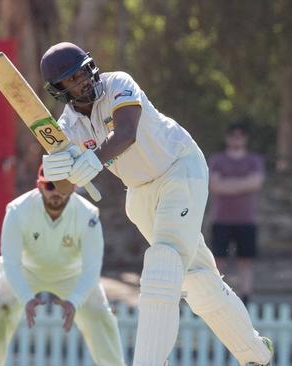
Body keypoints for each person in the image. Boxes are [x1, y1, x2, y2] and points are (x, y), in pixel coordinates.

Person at [40, 42, 273, 366]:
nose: (83, 80)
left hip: (179, 169)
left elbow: (126, 134)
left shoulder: (118, 83)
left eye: (83, 70)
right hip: (139, 194)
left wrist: (91, 161)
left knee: (163, 264)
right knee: (196, 279)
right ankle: (258, 356)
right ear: (60, 90)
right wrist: (57, 171)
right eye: (72, 78)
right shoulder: (67, 128)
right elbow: (64, 187)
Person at [0, 165, 125, 366]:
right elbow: (10, 262)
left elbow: (91, 268)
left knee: (98, 315)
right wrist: (25, 297)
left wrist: (75, 300)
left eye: (62, 186)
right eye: (49, 186)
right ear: (39, 186)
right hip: (25, 272)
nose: (55, 193)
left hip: (72, 274)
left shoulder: (88, 214)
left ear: (72, 187)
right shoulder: (18, 210)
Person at [208, 121, 266, 305]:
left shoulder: (254, 160)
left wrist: (228, 184)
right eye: (233, 135)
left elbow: (256, 183)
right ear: (227, 138)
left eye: (240, 135)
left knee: (245, 261)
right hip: (221, 219)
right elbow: (215, 185)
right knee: (217, 260)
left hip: (246, 220)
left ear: (245, 138)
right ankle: (215, 295)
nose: (236, 138)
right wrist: (243, 184)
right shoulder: (217, 160)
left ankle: (246, 297)